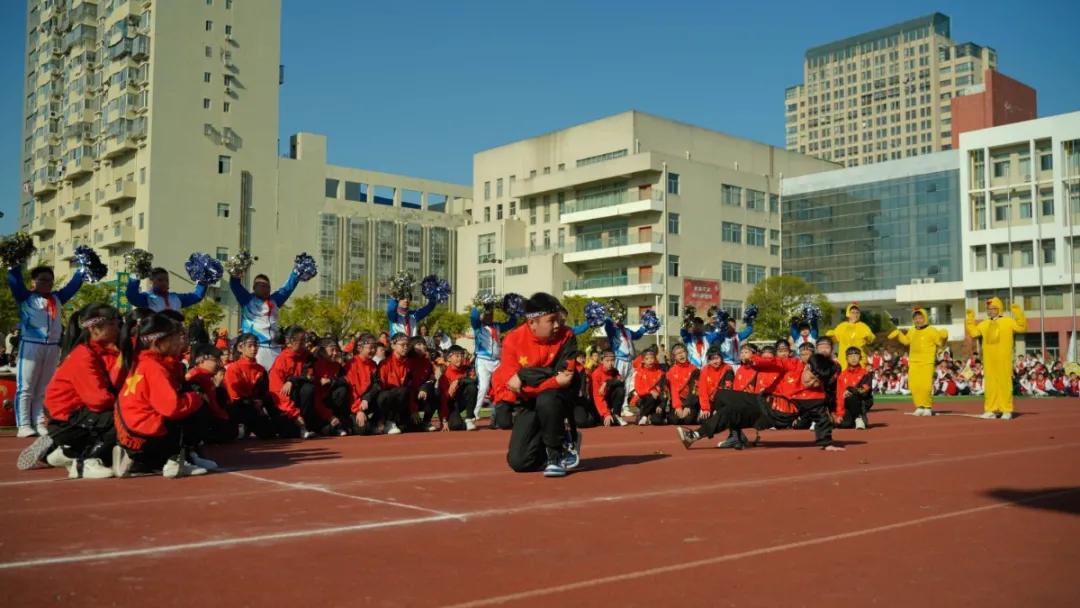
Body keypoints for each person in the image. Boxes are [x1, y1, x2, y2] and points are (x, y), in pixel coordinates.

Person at [16, 304, 122, 478]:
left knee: (125, 415)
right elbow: (98, 400)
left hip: (79, 414)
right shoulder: (83, 354)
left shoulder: (108, 353)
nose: (119, 328)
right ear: (94, 328)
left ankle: (65, 452)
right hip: (65, 417)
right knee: (122, 417)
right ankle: (85, 461)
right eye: (114, 323)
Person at [113, 312, 218, 478]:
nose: (180, 341)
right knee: (192, 406)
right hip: (145, 433)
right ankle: (175, 460)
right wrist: (196, 398)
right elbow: (172, 408)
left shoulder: (143, 361)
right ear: (158, 342)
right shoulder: (155, 368)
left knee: (185, 399)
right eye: (176, 337)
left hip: (131, 432)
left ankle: (139, 461)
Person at [676, 353, 842, 451]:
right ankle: (736, 436)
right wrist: (754, 360)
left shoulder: (817, 396)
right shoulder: (795, 365)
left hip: (772, 415)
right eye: (811, 377)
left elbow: (822, 418)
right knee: (721, 395)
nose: (811, 383)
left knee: (731, 411)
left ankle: (695, 435)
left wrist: (826, 443)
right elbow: (775, 362)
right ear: (807, 368)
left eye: (817, 382)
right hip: (761, 399)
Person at [493, 292, 581, 477]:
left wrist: (524, 374)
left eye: (559, 319)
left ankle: (556, 455)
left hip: (560, 395)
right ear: (532, 322)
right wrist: (551, 378)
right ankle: (554, 438)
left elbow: (565, 376)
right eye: (552, 320)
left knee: (548, 399)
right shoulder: (512, 340)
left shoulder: (567, 336)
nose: (558, 325)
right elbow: (511, 383)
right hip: (529, 399)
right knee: (520, 462)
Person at [7, 264, 85, 437]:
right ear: (33, 282)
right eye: (43, 280)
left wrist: (83, 268)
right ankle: (24, 424)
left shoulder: (58, 298)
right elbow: (15, 282)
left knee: (44, 387)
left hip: (52, 346)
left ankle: (40, 421)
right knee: (26, 387)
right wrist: (14, 265)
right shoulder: (25, 296)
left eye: (50, 280)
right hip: (30, 345)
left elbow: (74, 285)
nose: (47, 283)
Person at [966, 298, 1026, 419]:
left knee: (1004, 384)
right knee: (990, 385)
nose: (991, 311)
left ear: (999, 309)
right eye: (989, 309)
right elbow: (974, 333)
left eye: (994, 308)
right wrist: (970, 319)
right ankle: (991, 409)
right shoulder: (984, 324)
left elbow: (1021, 327)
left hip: (1004, 358)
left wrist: (1018, 313)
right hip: (989, 360)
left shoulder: (1008, 321)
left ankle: (1006, 410)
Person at [229, 271, 301, 370]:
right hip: (256, 348)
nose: (265, 288)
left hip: (275, 348)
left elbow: (287, 288)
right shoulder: (246, 299)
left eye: (267, 286)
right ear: (254, 287)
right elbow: (235, 285)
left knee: (276, 379)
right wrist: (236, 270)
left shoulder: (275, 300)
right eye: (261, 285)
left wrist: (296, 272)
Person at [889, 306, 948, 416]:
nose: (918, 320)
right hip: (914, 361)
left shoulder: (932, 330)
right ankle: (919, 406)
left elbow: (940, 343)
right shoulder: (912, 330)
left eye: (920, 318)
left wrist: (944, 337)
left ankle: (927, 407)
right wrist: (899, 334)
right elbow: (906, 342)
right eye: (915, 318)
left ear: (925, 318)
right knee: (914, 385)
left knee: (925, 386)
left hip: (927, 362)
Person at [266, 326, 318, 438]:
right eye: (302, 340)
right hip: (285, 406)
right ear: (290, 342)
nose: (305, 343)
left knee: (308, 388)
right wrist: (295, 415)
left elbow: (310, 376)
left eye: (305, 339)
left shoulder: (307, 357)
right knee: (287, 432)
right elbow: (277, 393)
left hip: (299, 405)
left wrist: (292, 380)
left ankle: (305, 425)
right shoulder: (281, 361)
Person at [470, 301, 518, 420]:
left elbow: (512, 322)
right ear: (482, 316)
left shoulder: (497, 326)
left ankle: (498, 413)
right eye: (486, 314)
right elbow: (473, 316)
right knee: (484, 387)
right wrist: (480, 305)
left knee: (502, 386)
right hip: (482, 360)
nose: (489, 316)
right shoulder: (477, 326)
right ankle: (475, 413)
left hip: (497, 361)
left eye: (491, 315)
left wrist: (508, 310)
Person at [603, 312, 655, 415]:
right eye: (618, 318)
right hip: (619, 359)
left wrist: (645, 327)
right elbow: (608, 326)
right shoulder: (613, 331)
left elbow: (637, 335)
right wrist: (609, 316)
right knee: (618, 383)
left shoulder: (626, 330)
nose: (620, 320)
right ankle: (615, 407)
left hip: (629, 361)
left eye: (621, 318)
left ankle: (625, 406)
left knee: (627, 384)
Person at [223, 332, 272, 439]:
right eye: (250, 346)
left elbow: (265, 391)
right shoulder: (233, 368)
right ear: (241, 348)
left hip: (255, 406)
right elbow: (233, 396)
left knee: (269, 433)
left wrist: (261, 400)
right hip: (239, 406)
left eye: (255, 345)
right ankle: (241, 425)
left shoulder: (261, 369)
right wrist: (251, 402)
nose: (254, 349)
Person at [184, 344, 237, 443]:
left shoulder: (207, 377)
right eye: (215, 360)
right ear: (201, 360)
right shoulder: (194, 377)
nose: (219, 364)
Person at [125, 267, 206, 312]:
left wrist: (204, 280)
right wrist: (136, 275)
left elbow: (197, 296)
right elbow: (132, 296)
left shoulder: (175, 298)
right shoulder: (147, 298)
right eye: (160, 280)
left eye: (166, 280)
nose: (164, 283)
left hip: (174, 339)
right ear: (151, 282)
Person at [436, 345, 479, 431]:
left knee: (472, 387)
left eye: (462, 355)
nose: (460, 358)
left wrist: (459, 381)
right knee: (456, 426)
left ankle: (469, 419)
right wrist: (443, 420)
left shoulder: (467, 369)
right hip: (450, 405)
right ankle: (460, 422)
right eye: (457, 356)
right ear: (449, 358)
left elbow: (474, 382)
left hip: (461, 400)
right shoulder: (445, 376)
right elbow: (443, 400)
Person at [344, 334, 380, 434]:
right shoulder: (351, 364)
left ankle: (379, 421)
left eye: (375, 348)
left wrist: (366, 398)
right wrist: (358, 409)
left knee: (383, 395)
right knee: (363, 430)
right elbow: (351, 389)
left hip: (366, 401)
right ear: (360, 348)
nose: (373, 351)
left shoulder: (373, 365)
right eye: (370, 348)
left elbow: (376, 385)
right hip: (353, 405)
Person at [826, 303, 875, 369]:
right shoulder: (842, 326)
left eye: (857, 312)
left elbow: (871, 339)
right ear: (848, 313)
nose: (855, 314)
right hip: (844, 361)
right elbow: (834, 339)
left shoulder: (863, 326)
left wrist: (868, 336)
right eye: (852, 312)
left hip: (859, 361)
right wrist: (830, 336)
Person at [834, 347, 873, 429]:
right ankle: (855, 419)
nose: (853, 358)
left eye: (856, 355)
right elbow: (839, 396)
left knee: (851, 395)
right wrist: (839, 414)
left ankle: (859, 417)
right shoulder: (842, 375)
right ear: (846, 359)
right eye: (850, 356)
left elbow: (865, 390)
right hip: (847, 404)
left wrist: (851, 390)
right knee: (843, 425)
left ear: (860, 358)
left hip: (862, 401)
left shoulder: (865, 373)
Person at [587, 350, 627, 427]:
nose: (610, 363)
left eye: (612, 360)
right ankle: (602, 417)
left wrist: (607, 383)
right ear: (602, 361)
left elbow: (621, 380)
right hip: (597, 404)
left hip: (607, 401)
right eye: (607, 361)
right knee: (609, 423)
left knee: (620, 389)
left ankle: (616, 415)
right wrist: (606, 414)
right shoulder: (596, 374)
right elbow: (597, 397)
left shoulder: (614, 371)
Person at [665, 343, 700, 426]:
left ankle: (697, 413)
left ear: (687, 353)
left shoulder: (694, 369)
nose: (681, 355)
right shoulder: (671, 371)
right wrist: (678, 407)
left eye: (683, 352)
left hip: (691, 400)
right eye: (677, 354)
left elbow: (695, 390)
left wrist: (688, 406)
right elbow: (673, 391)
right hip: (678, 400)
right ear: (674, 357)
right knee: (675, 420)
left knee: (688, 421)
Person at [631, 346, 667, 426]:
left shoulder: (660, 373)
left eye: (652, 358)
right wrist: (650, 391)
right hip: (642, 399)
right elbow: (638, 390)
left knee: (657, 421)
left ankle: (647, 414)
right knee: (651, 397)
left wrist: (661, 405)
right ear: (643, 361)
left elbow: (664, 391)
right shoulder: (638, 373)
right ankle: (644, 416)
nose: (650, 360)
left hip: (657, 399)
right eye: (647, 359)